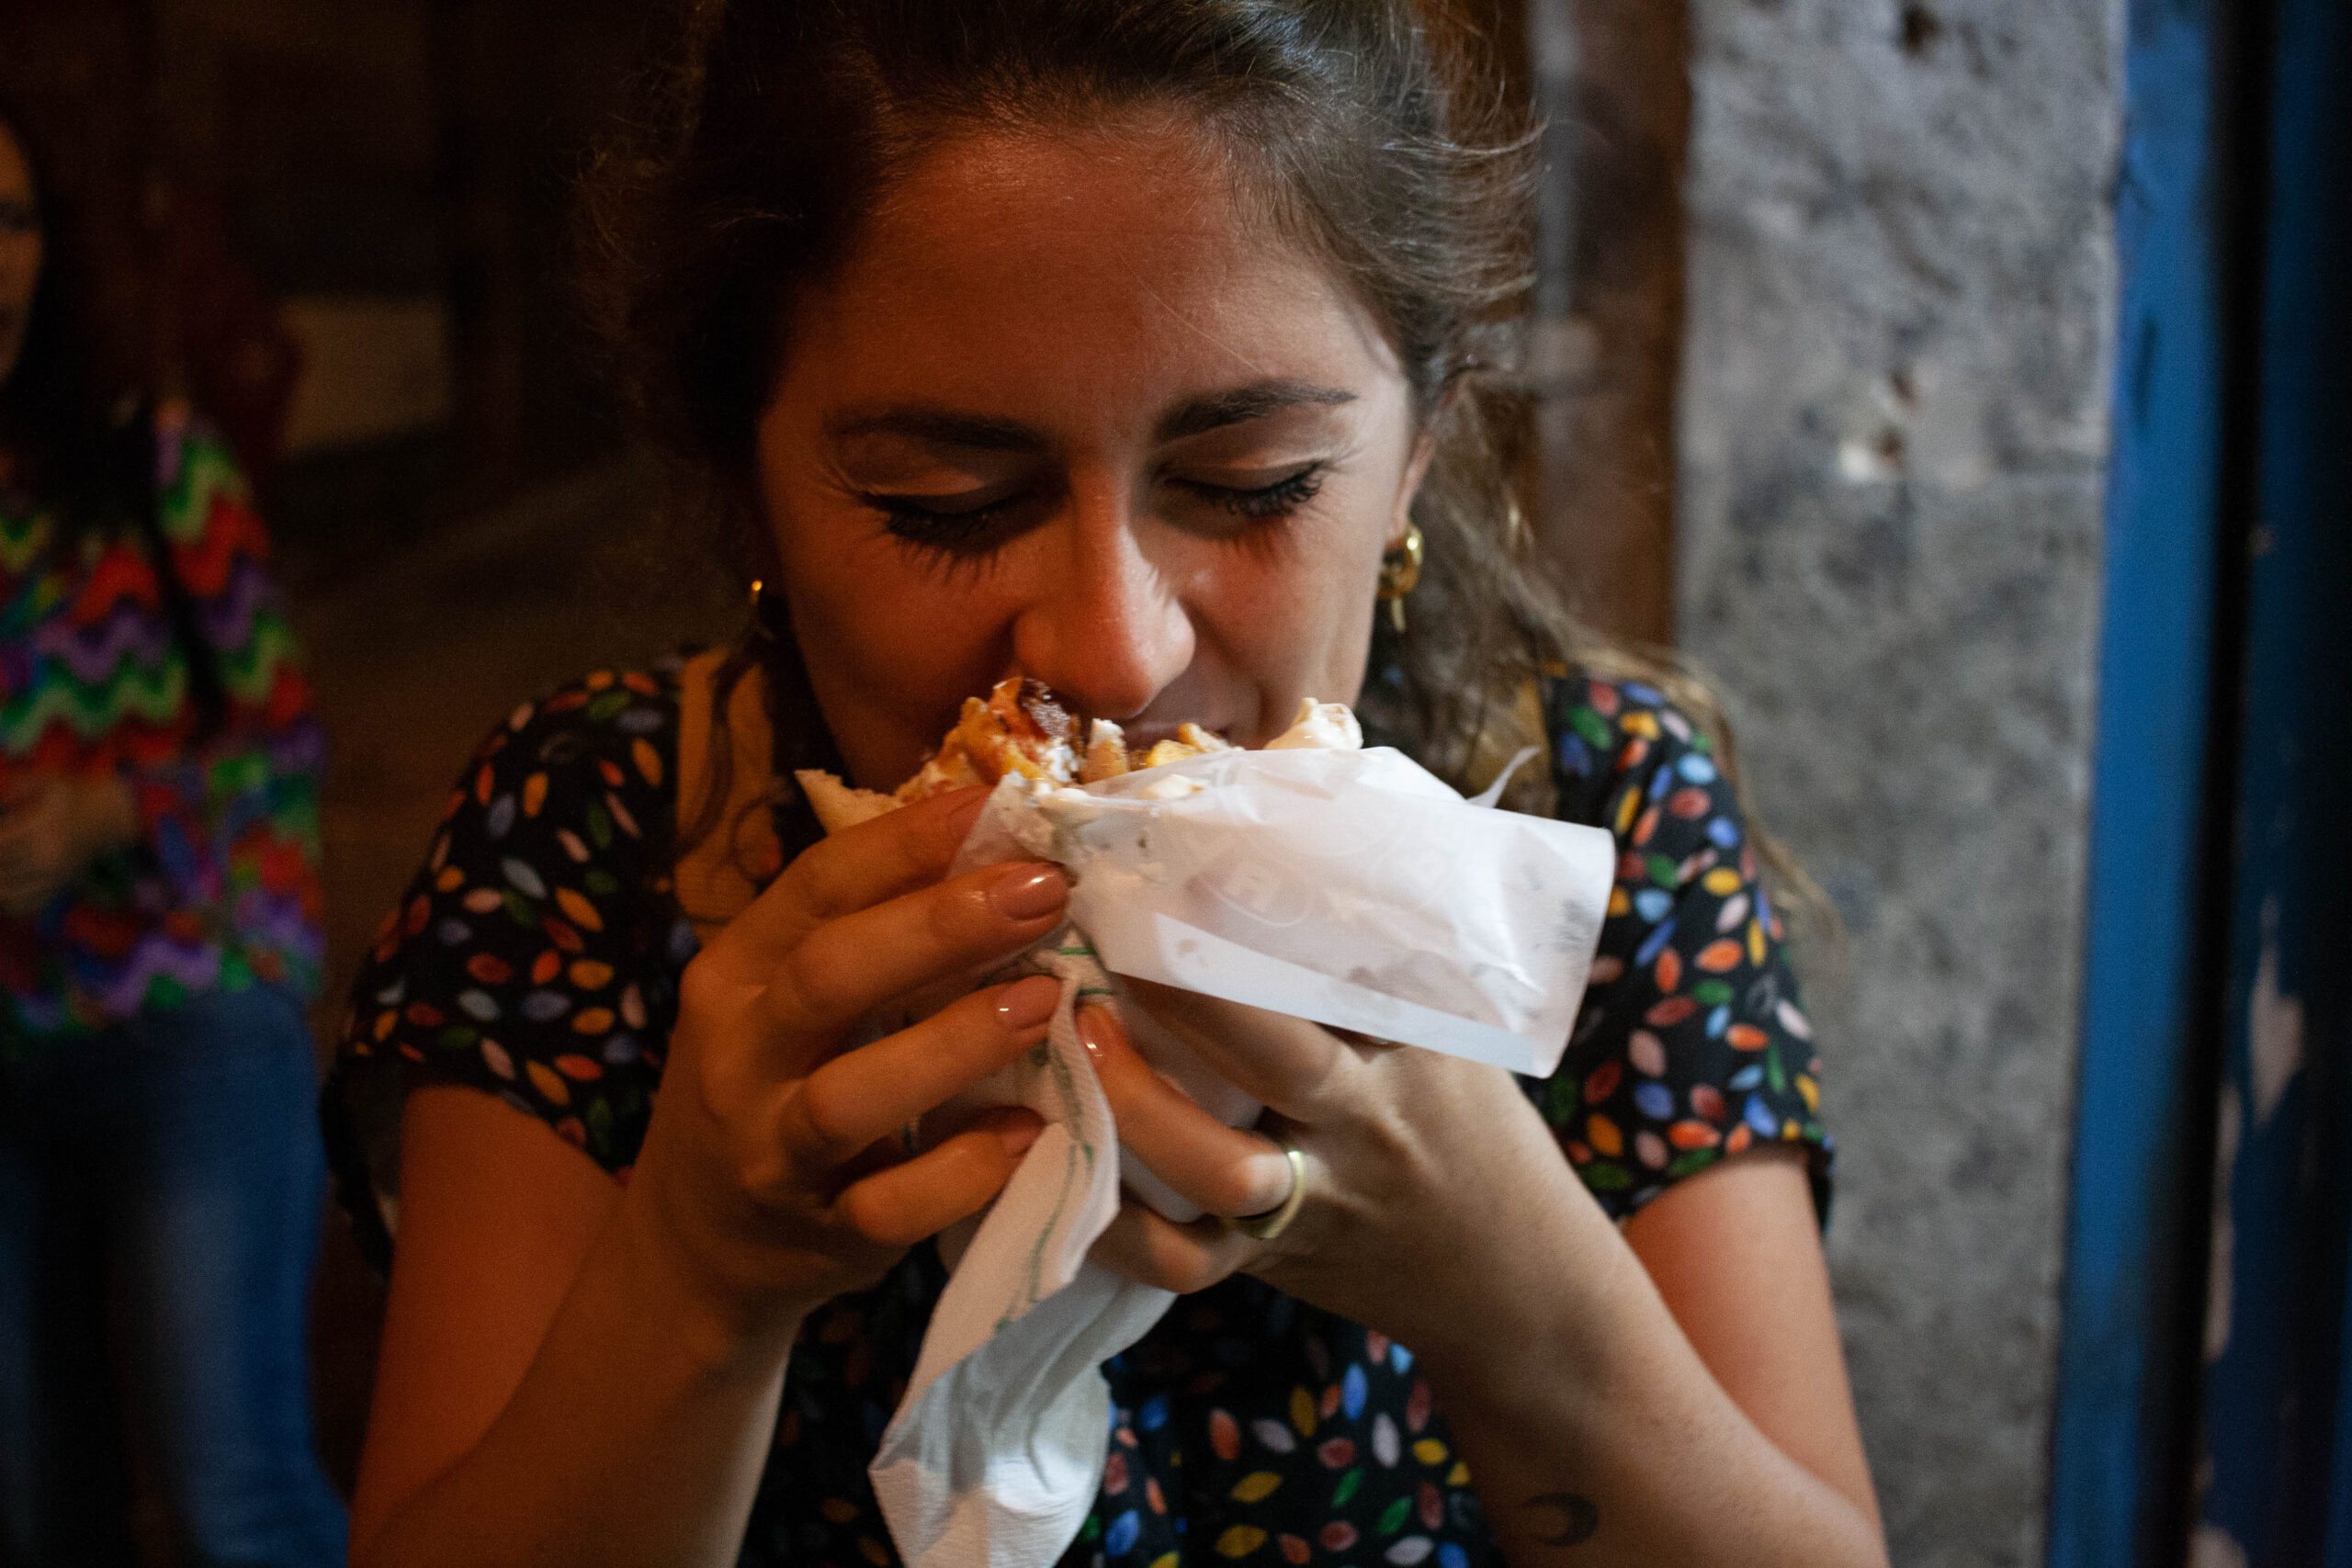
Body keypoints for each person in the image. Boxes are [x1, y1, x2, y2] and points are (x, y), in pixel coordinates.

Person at [330, 4, 1886, 1564]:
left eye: (1249, 485)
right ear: (749, 492)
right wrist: (695, 1272)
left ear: (1418, 453)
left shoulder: (1594, 826)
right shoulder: (598, 837)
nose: (1108, 652)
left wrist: (1515, 1300)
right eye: (945, 501)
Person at [0, 103, 346, 1563]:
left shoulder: (151, 467)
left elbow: (288, 746)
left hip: (189, 1007)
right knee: (34, 1508)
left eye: (11, 221)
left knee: (231, 1493)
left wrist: (109, 808)